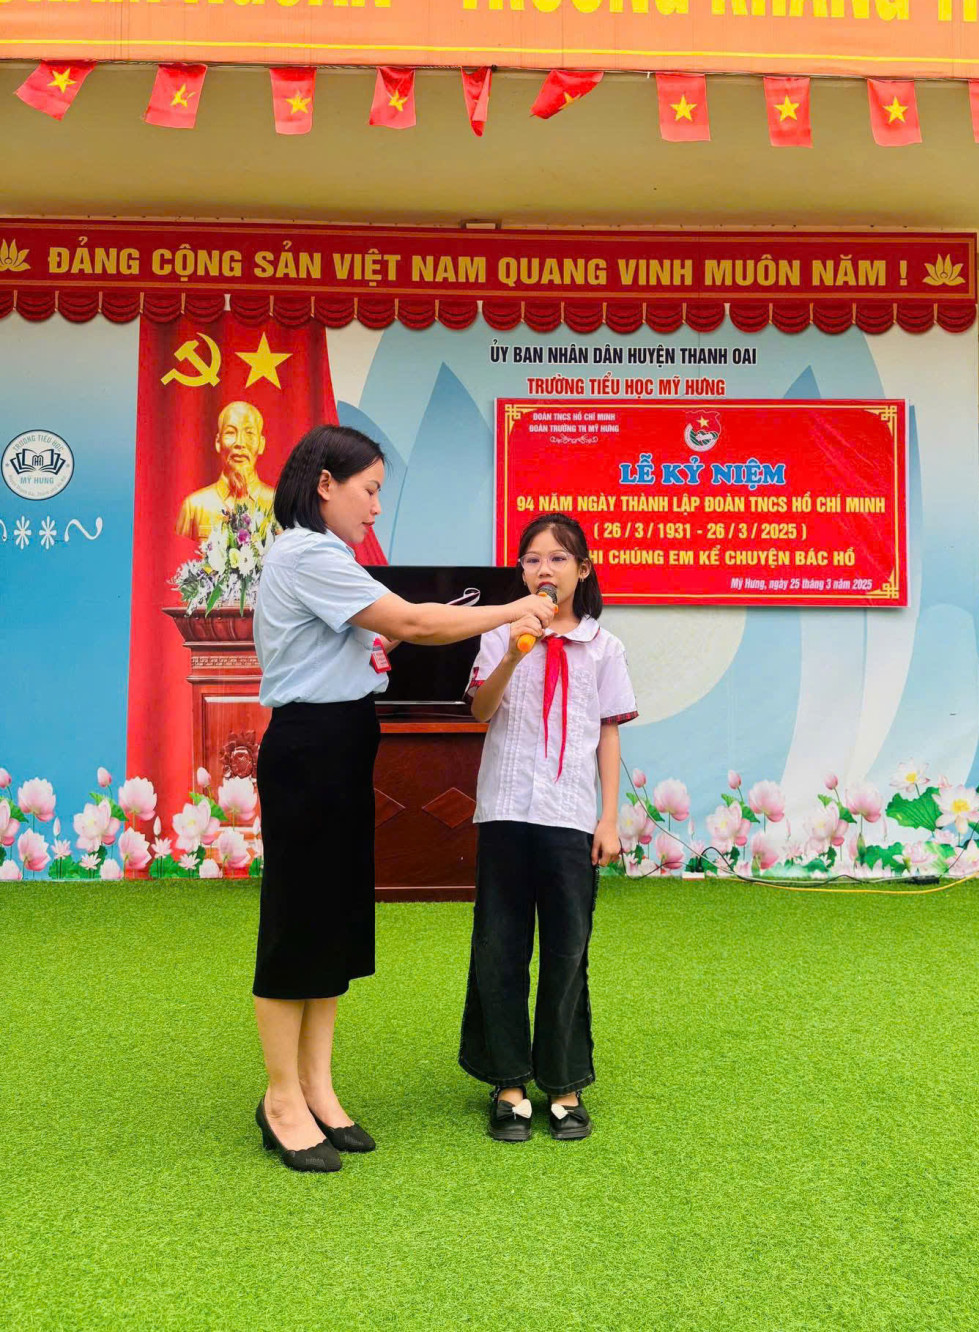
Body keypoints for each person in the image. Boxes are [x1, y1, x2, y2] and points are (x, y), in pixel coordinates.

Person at [251, 424, 556, 1173]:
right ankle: (281, 1098)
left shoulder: (330, 557)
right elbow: (414, 622)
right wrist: (512, 608)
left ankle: (318, 1088)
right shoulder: (308, 553)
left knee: (331, 921)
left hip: (341, 743)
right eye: (370, 489)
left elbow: (383, 636)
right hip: (309, 750)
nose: (376, 506)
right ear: (325, 483)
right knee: (298, 923)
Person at [459, 512, 638, 1143]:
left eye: (558, 558)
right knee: (500, 948)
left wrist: (608, 819)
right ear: (522, 571)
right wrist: (513, 652)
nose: (545, 569)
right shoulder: (498, 633)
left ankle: (563, 1084)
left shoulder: (604, 648)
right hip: (506, 811)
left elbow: (608, 734)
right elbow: (480, 710)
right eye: (533, 559)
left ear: (582, 570)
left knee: (567, 950)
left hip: (569, 816)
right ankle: (508, 1084)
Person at [176, 400, 276, 543]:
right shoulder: (194, 507)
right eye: (230, 433)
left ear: (261, 444)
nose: (240, 443)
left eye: (249, 433)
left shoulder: (277, 506)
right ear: (218, 442)